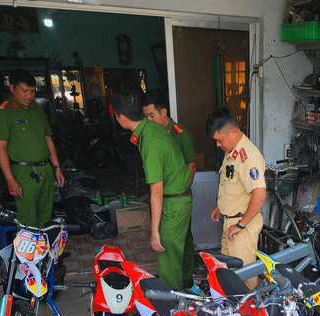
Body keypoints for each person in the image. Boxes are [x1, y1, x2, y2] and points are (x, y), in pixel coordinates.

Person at [111, 90, 193, 291]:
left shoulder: (150, 141)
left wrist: (154, 232)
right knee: (171, 256)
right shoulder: (152, 129)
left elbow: (156, 191)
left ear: (121, 118)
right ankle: (178, 291)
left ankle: (173, 309)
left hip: (173, 202)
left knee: (166, 254)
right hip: (175, 199)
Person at [0, 69, 65, 226]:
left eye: (32, 91)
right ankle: (29, 250)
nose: (29, 95)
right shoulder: (3, 113)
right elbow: (0, 149)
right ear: (12, 88)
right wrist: (10, 179)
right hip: (23, 173)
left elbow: (47, 139)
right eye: (24, 91)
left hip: (45, 169)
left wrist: (57, 167)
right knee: (28, 219)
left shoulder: (37, 110)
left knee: (46, 215)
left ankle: (44, 250)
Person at [142, 90, 198, 292]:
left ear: (163, 111)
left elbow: (191, 165)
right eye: (146, 116)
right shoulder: (154, 135)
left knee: (182, 239)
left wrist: (183, 191)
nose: (149, 120)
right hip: (166, 196)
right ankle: (177, 277)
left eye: (152, 115)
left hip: (177, 197)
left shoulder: (179, 134)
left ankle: (185, 279)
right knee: (175, 240)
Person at [207, 108, 266, 289]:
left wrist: (240, 225)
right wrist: (220, 206)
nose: (218, 145)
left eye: (219, 140)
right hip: (230, 224)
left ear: (233, 132)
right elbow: (231, 183)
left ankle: (248, 314)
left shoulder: (249, 157)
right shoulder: (232, 151)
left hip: (242, 226)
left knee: (244, 279)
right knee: (229, 275)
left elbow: (260, 195)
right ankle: (233, 312)